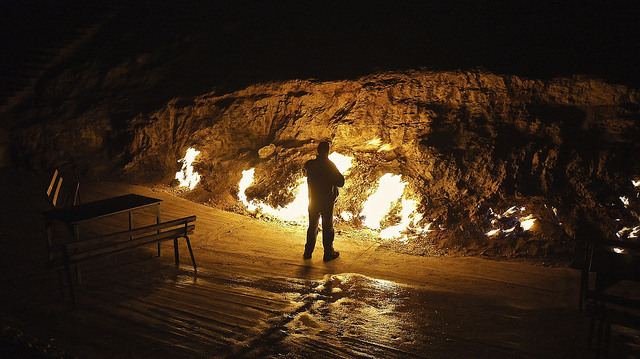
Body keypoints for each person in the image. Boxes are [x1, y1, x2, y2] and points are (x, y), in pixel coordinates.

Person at [303, 141, 344, 261]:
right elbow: (340, 182)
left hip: (313, 200)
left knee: (312, 227)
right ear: (328, 151)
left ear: (318, 150)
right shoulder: (330, 165)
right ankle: (328, 253)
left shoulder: (310, 164)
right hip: (326, 201)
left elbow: (304, 172)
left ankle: (308, 252)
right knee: (327, 227)